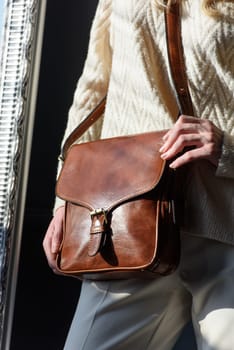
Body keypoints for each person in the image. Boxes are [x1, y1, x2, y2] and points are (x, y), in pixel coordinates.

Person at [43, 0, 234, 349]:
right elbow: (92, 95)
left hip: (227, 221)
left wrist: (228, 147)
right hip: (130, 221)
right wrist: (64, 204)